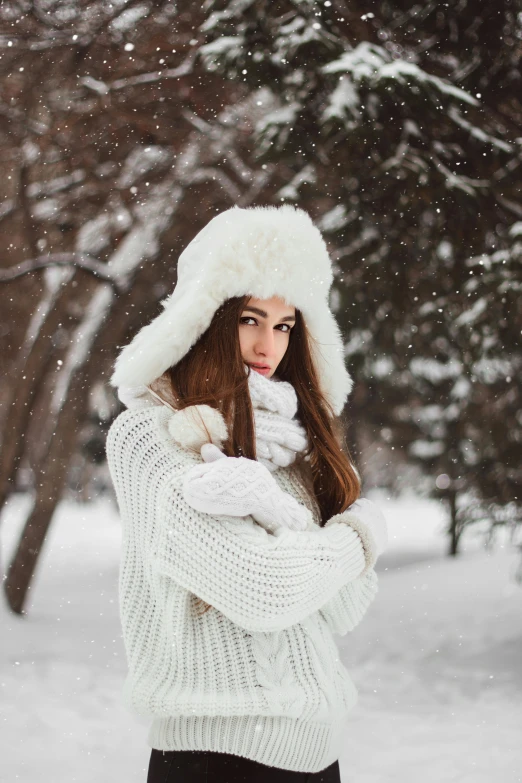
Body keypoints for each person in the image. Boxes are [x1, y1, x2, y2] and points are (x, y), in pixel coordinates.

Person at [105, 204, 389, 782]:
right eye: (250, 319)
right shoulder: (150, 434)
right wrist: (357, 539)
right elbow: (265, 589)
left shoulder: (290, 442)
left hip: (317, 753)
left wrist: (284, 516)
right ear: (206, 318)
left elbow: (344, 606)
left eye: (285, 325)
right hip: (217, 757)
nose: (268, 345)